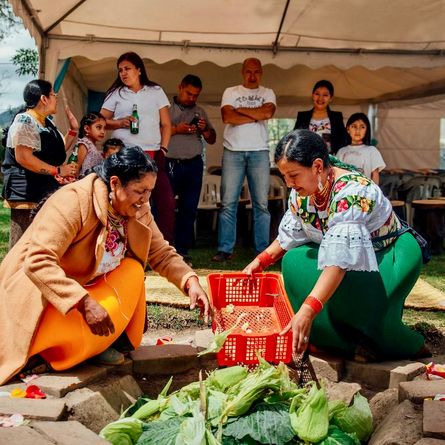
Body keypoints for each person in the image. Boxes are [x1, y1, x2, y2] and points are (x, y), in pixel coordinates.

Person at [0, 146, 210, 385]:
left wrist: (190, 282)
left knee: (132, 270)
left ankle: (96, 343)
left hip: (87, 290)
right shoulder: (74, 200)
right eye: (140, 191)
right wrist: (83, 302)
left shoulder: (138, 208)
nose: (145, 199)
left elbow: (160, 252)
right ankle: (51, 349)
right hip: (45, 298)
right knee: (69, 341)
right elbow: (37, 261)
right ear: (114, 183)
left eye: (150, 192)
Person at [243, 129, 428, 361]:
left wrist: (308, 310)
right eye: (284, 176)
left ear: (318, 166)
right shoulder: (301, 192)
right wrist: (259, 262)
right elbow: (290, 237)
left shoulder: (352, 192)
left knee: (357, 298)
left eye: (294, 175)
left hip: (389, 255)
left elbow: (340, 262)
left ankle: (398, 342)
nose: (289, 183)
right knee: (294, 261)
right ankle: (334, 339)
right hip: (344, 258)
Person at [100, 52, 175, 243]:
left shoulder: (155, 90)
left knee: (165, 200)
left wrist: (163, 149)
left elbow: (166, 124)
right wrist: (119, 123)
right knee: (129, 202)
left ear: (139, 70)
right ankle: (125, 245)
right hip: (126, 155)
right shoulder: (116, 93)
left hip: (152, 152)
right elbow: (100, 122)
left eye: (127, 69)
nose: (123, 73)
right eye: (120, 70)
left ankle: (162, 247)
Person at [1, 79, 79, 248]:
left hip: (42, 189)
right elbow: (24, 157)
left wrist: (73, 130)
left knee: (39, 241)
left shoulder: (46, 122)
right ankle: (12, 275)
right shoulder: (25, 121)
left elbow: (53, 153)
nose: (56, 98)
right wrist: (58, 170)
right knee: (22, 243)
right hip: (26, 191)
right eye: (53, 94)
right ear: (44, 99)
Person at [212, 58, 276, 262]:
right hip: (233, 151)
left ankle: (262, 251)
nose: (252, 75)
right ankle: (225, 249)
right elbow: (227, 117)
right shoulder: (231, 91)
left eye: (256, 72)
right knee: (228, 203)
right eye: (248, 71)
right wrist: (256, 115)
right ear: (242, 72)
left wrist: (239, 111)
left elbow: (268, 112)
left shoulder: (268, 92)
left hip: (259, 151)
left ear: (262, 73)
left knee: (261, 205)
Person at [167, 74, 216, 264]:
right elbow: (157, 132)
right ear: (180, 87)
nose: (192, 98)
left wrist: (204, 130)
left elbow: (212, 139)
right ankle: (165, 247)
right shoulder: (166, 109)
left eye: (196, 95)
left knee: (189, 208)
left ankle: (183, 250)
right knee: (166, 207)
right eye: (189, 93)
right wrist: (177, 129)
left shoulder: (200, 111)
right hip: (170, 163)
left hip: (194, 164)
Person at [294, 80, 347, 154]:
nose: (320, 98)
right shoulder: (303, 116)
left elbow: (342, 141)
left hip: (330, 161)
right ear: (312, 95)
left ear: (331, 98)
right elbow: (296, 140)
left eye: (325, 95)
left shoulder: (336, 117)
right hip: (307, 161)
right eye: (317, 94)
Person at [336, 113, 386, 184]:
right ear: (348, 129)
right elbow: (337, 175)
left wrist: (374, 193)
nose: (357, 130)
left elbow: (375, 175)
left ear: (367, 130)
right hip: (346, 192)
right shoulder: (341, 151)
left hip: (365, 192)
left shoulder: (372, 151)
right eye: (354, 126)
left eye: (362, 127)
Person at [76, 111, 107, 177]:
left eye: (104, 128)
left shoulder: (94, 146)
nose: (103, 132)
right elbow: (76, 168)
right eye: (98, 127)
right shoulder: (84, 144)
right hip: (84, 182)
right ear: (87, 128)